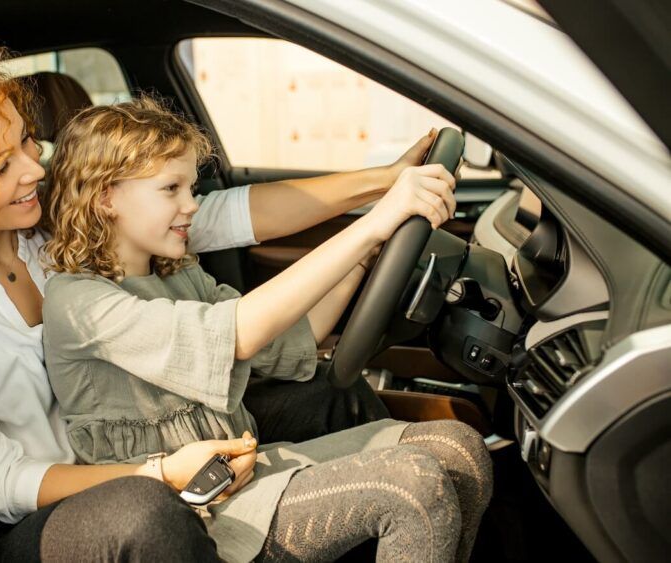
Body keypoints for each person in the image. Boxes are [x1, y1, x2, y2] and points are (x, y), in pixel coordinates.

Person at [0, 44, 487, 561]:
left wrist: (379, 184)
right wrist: (159, 472)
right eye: (0, 166)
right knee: (143, 512)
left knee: (332, 396)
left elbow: (216, 215)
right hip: (50, 518)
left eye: (27, 143)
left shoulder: (51, 233)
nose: (35, 168)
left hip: (150, 438)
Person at [42, 97, 492, 562]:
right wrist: (373, 225)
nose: (192, 206)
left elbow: (292, 337)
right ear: (104, 196)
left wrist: (364, 258)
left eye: (191, 188)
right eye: (170, 188)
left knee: (460, 450)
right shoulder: (79, 302)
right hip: (194, 510)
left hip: (246, 471)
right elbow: (237, 332)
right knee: (412, 488)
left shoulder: (178, 274)